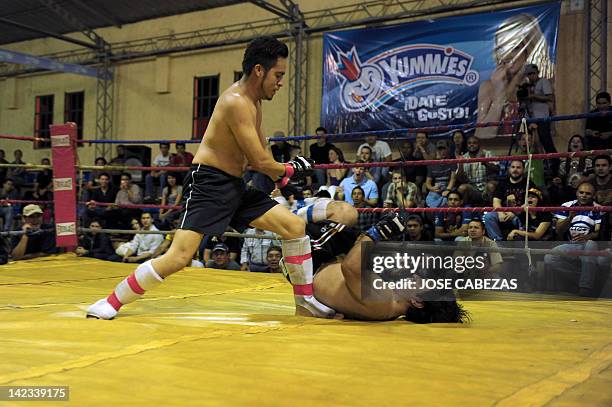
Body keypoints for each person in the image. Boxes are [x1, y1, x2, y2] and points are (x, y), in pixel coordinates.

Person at [87, 36, 334, 320]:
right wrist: (290, 168)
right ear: (258, 70)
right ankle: (111, 301)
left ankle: (305, 302)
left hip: (234, 185)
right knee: (180, 256)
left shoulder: (253, 101)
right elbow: (258, 161)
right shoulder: (236, 102)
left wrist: (281, 179)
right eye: (278, 75)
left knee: (293, 226)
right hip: (209, 184)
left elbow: (259, 145)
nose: (280, 82)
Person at [288, 206, 468, 322]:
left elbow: (350, 267)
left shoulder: (383, 301)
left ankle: (285, 208)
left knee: (343, 213)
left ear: (418, 301)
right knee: (347, 217)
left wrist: (379, 231)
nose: (417, 276)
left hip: (312, 262)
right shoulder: (390, 304)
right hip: (329, 259)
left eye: (423, 282)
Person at [544, 182, 606, 296]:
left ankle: (585, 288)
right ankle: (590, 281)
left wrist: (587, 237)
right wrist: (570, 217)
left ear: (593, 195)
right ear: (576, 193)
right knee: (549, 257)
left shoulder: (598, 208)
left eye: (588, 193)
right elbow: (558, 229)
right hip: (572, 245)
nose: (583, 195)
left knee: (590, 244)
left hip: (590, 246)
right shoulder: (567, 206)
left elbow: (597, 232)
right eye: (581, 192)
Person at [484, 160, 528, 241]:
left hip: (519, 215)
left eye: (518, 167)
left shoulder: (528, 183)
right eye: (513, 167)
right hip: (503, 213)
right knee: (488, 216)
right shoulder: (503, 183)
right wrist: (500, 212)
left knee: (524, 217)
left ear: (523, 170)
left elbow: (529, 203)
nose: (515, 170)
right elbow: (496, 200)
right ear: (509, 169)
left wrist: (515, 213)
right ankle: (498, 242)